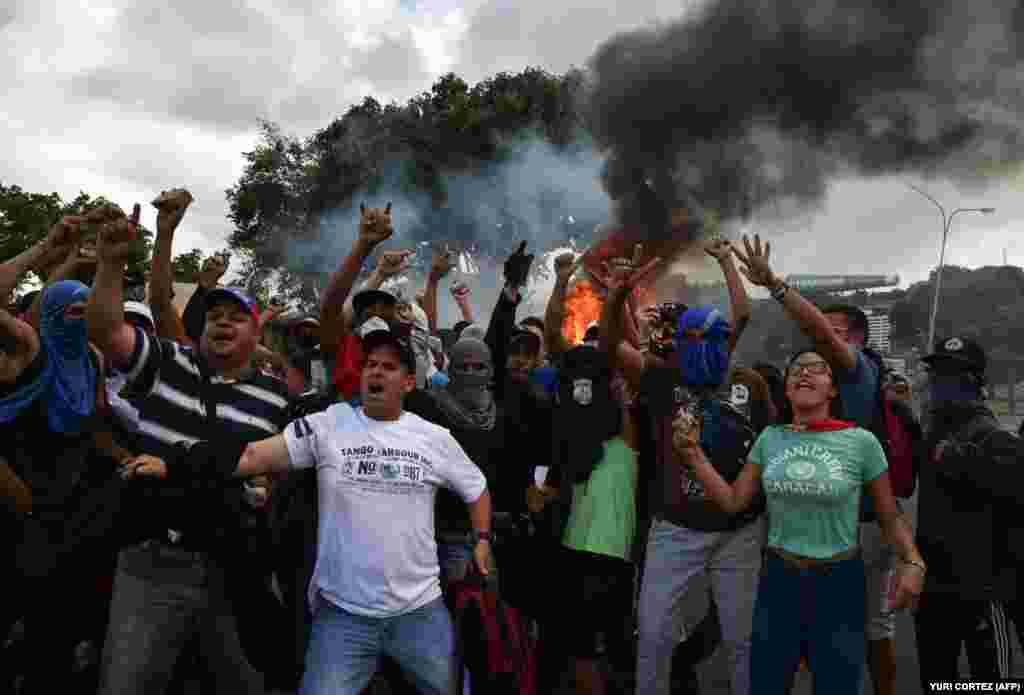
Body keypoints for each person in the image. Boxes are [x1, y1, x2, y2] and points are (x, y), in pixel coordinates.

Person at [150, 328, 493, 695]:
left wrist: (482, 539)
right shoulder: (328, 424)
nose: (376, 372)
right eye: (370, 365)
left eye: (388, 367)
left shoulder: (434, 438)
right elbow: (252, 456)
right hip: (343, 616)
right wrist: (176, 464)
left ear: (409, 382)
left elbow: (476, 487)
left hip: (419, 612)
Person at [85, 202, 291, 695]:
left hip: (233, 565)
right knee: (127, 685)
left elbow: (277, 469)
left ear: (256, 333)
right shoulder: (169, 362)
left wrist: (263, 487)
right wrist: (112, 264)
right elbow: (107, 332)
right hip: (155, 560)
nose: (222, 323)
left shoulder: (275, 398)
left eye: (236, 317)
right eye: (215, 315)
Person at [679, 349, 925, 695]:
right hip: (780, 580)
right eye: (796, 370)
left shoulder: (860, 442)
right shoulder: (771, 438)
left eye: (817, 369)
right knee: (767, 683)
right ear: (788, 388)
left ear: (833, 389)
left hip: (838, 584)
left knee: (836, 684)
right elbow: (734, 501)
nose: (804, 374)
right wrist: (693, 456)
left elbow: (889, 515)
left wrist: (912, 561)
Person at [731, 234, 905, 695]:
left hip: (859, 528)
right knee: (796, 650)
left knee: (866, 634)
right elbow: (736, 499)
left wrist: (776, 285)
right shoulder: (782, 428)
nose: (821, 340)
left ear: (857, 340)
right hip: (797, 553)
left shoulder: (857, 369)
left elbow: (890, 514)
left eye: (833, 333)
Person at [601, 240, 762, 695]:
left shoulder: (741, 380)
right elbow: (612, 343)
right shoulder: (662, 377)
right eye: (692, 338)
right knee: (652, 632)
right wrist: (615, 295)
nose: (703, 346)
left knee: (741, 638)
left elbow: (744, 314)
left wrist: (727, 262)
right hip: (676, 529)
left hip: (739, 531)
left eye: (712, 337)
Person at [0, 215, 107, 694]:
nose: (78, 315)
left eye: (87, 309)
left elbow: (95, 436)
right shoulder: (28, 350)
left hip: (66, 525)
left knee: (51, 645)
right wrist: (46, 248)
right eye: (69, 308)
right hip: (12, 517)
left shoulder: (93, 361)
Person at [914, 336, 1024, 686]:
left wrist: (971, 463)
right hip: (934, 585)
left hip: (983, 590)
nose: (937, 384)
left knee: (990, 681)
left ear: (974, 382)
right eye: (935, 374)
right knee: (935, 679)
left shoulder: (995, 438)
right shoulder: (931, 433)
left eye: (950, 375)